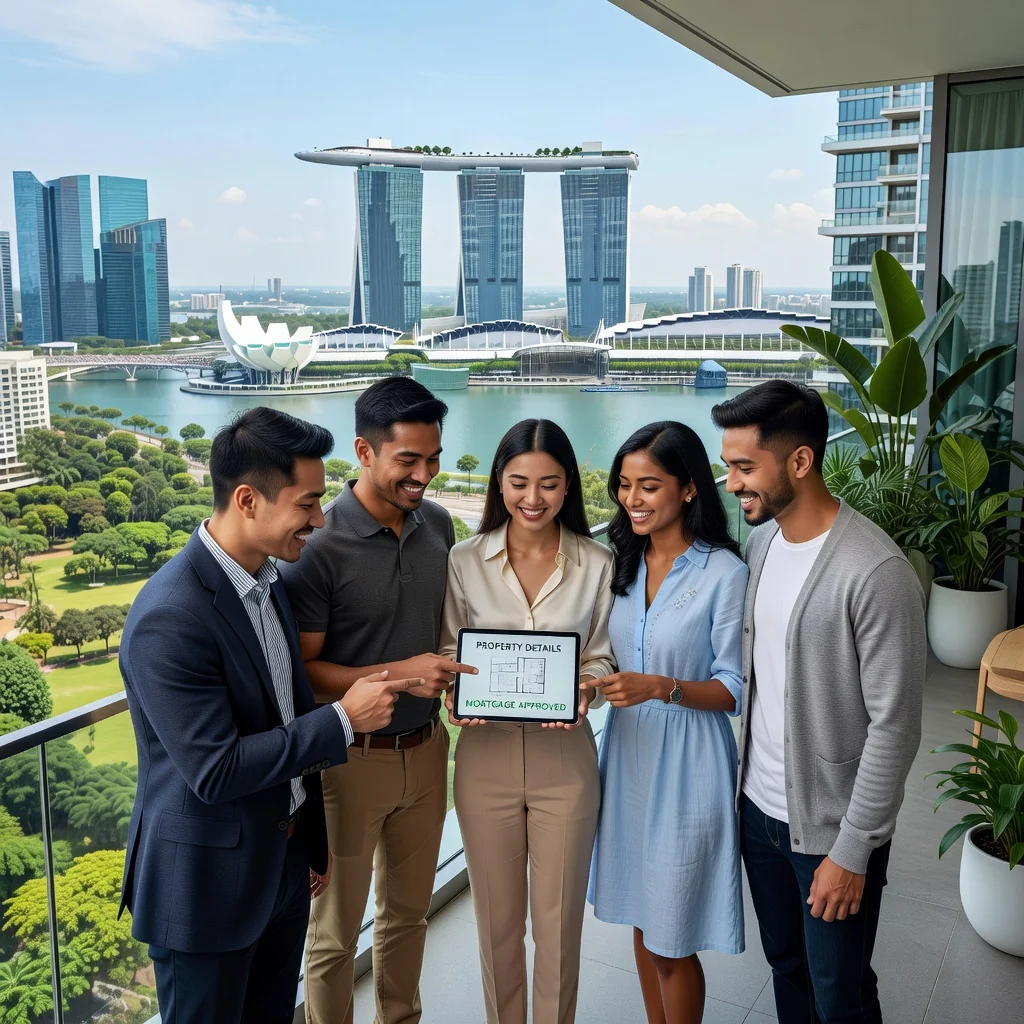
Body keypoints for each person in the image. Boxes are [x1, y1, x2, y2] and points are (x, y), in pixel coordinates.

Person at [118, 407, 419, 1024]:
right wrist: (342, 718)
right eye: (307, 504)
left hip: (280, 870)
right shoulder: (170, 615)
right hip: (205, 888)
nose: (320, 519)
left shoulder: (270, 578)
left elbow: (281, 708)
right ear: (249, 500)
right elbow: (216, 768)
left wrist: (307, 840)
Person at [711, 381, 926, 1024]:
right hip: (760, 813)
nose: (731, 483)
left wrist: (852, 850)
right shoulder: (763, 544)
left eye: (745, 468)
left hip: (831, 831)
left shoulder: (875, 571)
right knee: (789, 970)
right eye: (728, 466)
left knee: (841, 995)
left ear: (800, 463)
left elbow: (896, 725)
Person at [279, 377, 475, 1024]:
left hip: (427, 754)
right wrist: (402, 673)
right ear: (364, 453)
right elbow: (304, 674)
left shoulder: (439, 524)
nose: (425, 475)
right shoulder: (319, 545)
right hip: (346, 766)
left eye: (434, 458)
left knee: (407, 918)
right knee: (334, 938)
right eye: (408, 461)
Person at [440, 418, 615, 1024]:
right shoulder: (465, 559)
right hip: (484, 755)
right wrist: (452, 689)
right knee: (496, 924)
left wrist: (588, 685)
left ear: (569, 487)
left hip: (565, 760)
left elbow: (599, 651)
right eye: (518, 482)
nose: (532, 499)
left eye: (549, 483)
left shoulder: (597, 561)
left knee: (558, 923)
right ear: (499, 482)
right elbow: (447, 650)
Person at [588, 421, 747, 1024]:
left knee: (672, 936)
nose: (632, 499)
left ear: (688, 489)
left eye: (649, 486)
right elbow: (605, 656)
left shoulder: (724, 575)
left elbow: (734, 689)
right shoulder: (617, 563)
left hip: (689, 766)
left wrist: (665, 687)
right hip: (627, 758)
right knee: (642, 915)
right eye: (625, 486)